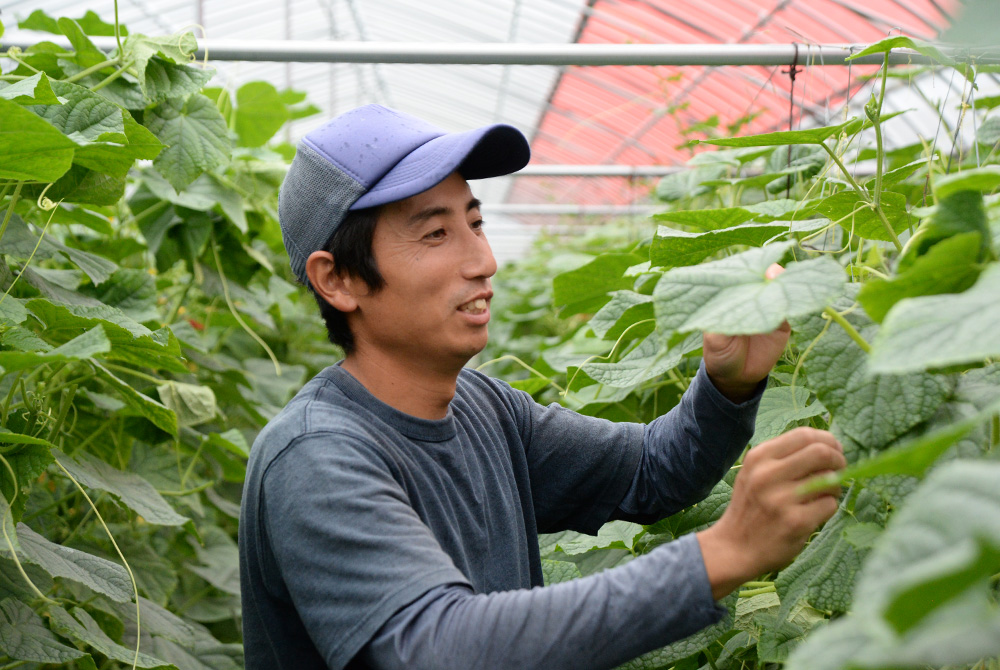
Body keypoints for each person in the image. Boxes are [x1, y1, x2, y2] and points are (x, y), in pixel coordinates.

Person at [238, 105, 846, 670]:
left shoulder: (486, 409)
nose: (483, 261)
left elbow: (650, 472)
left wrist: (727, 381)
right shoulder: (316, 455)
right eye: (435, 234)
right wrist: (724, 551)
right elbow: (438, 646)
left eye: (475, 223)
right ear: (338, 280)